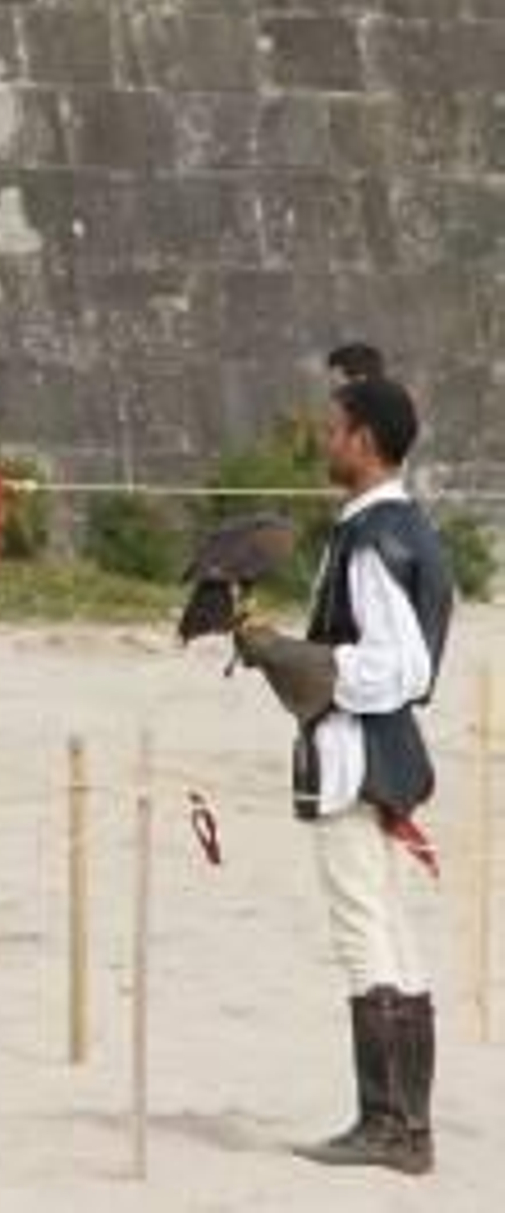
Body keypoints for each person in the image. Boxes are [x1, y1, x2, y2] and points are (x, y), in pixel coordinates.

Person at [234, 376, 453, 1175]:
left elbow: (403, 665)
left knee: (365, 929)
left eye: (335, 429)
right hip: (383, 752)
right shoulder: (397, 526)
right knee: (390, 928)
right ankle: (406, 1125)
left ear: (363, 441)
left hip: (358, 754)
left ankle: (389, 1124)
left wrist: (302, 660)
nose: (327, 441)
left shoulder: (373, 538)